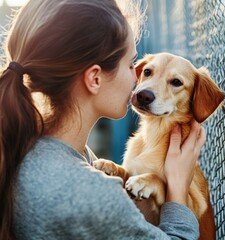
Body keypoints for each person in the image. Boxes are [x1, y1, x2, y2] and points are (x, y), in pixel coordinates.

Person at [0, 1, 206, 239]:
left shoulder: (27, 142)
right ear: (95, 78)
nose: (138, 82)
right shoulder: (90, 194)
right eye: (132, 66)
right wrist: (178, 187)